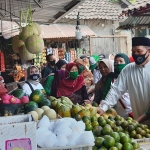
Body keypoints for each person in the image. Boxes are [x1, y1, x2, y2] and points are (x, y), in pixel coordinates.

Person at [97, 37, 150, 125]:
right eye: (133, 51)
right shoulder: (128, 69)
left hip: (138, 121)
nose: (135, 54)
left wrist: (137, 121)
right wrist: (103, 107)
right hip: (139, 126)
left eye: (139, 51)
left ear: (149, 51)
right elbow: (116, 90)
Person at [102, 53, 132, 119]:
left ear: (126, 62)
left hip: (134, 112)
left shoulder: (132, 76)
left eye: (121, 61)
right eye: (116, 62)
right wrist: (103, 106)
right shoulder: (111, 78)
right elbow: (107, 93)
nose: (118, 64)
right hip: (117, 114)